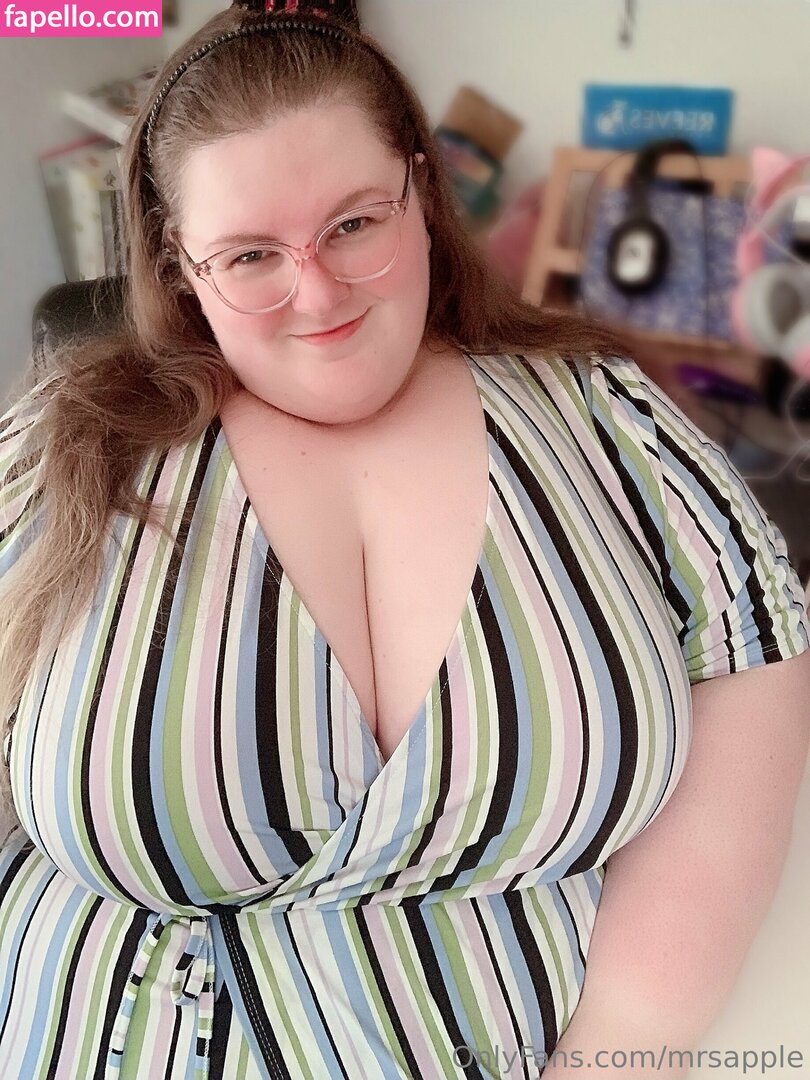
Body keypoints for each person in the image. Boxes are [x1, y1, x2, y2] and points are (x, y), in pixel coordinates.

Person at [1, 2, 809, 1077]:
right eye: (249, 255)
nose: (317, 295)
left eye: (354, 225)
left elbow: (751, 688)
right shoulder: (66, 445)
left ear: (420, 195)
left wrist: (612, 1055)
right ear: (181, 264)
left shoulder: (613, 419)